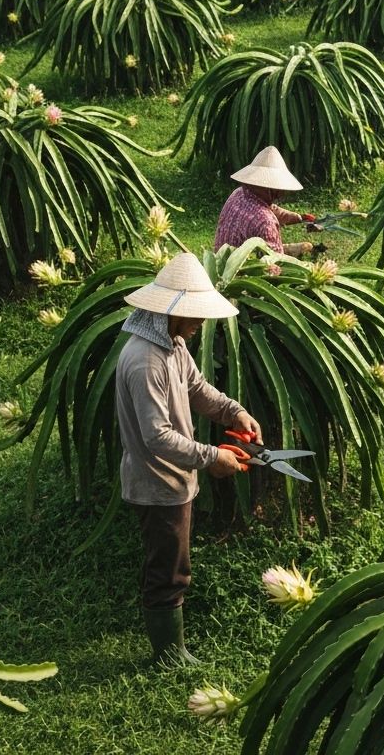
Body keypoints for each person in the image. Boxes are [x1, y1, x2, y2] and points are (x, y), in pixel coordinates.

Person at [116, 251, 262, 666]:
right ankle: (168, 654)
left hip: (172, 480)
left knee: (169, 561)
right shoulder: (146, 361)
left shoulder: (172, 345)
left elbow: (198, 389)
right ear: (171, 311)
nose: (200, 325)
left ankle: (171, 646)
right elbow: (157, 436)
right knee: (168, 570)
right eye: (195, 316)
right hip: (157, 482)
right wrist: (211, 455)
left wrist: (234, 411)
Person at [213, 146, 321, 257]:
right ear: (271, 188)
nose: (281, 193)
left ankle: (293, 249)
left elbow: (271, 209)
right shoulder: (266, 221)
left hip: (219, 260)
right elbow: (276, 263)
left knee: (300, 248)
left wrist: (299, 217)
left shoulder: (238, 193)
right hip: (239, 270)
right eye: (279, 188)